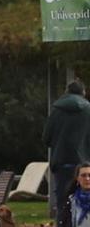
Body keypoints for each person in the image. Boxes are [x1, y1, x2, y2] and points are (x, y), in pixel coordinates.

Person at [44, 80, 90, 219]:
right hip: (84, 165)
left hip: (62, 163)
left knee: (63, 204)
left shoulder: (56, 110)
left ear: (67, 92)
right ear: (83, 93)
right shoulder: (88, 110)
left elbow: (46, 138)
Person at [56, 161, 90, 227]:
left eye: (89, 175)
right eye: (83, 175)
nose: (87, 179)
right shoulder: (71, 202)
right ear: (77, 178)